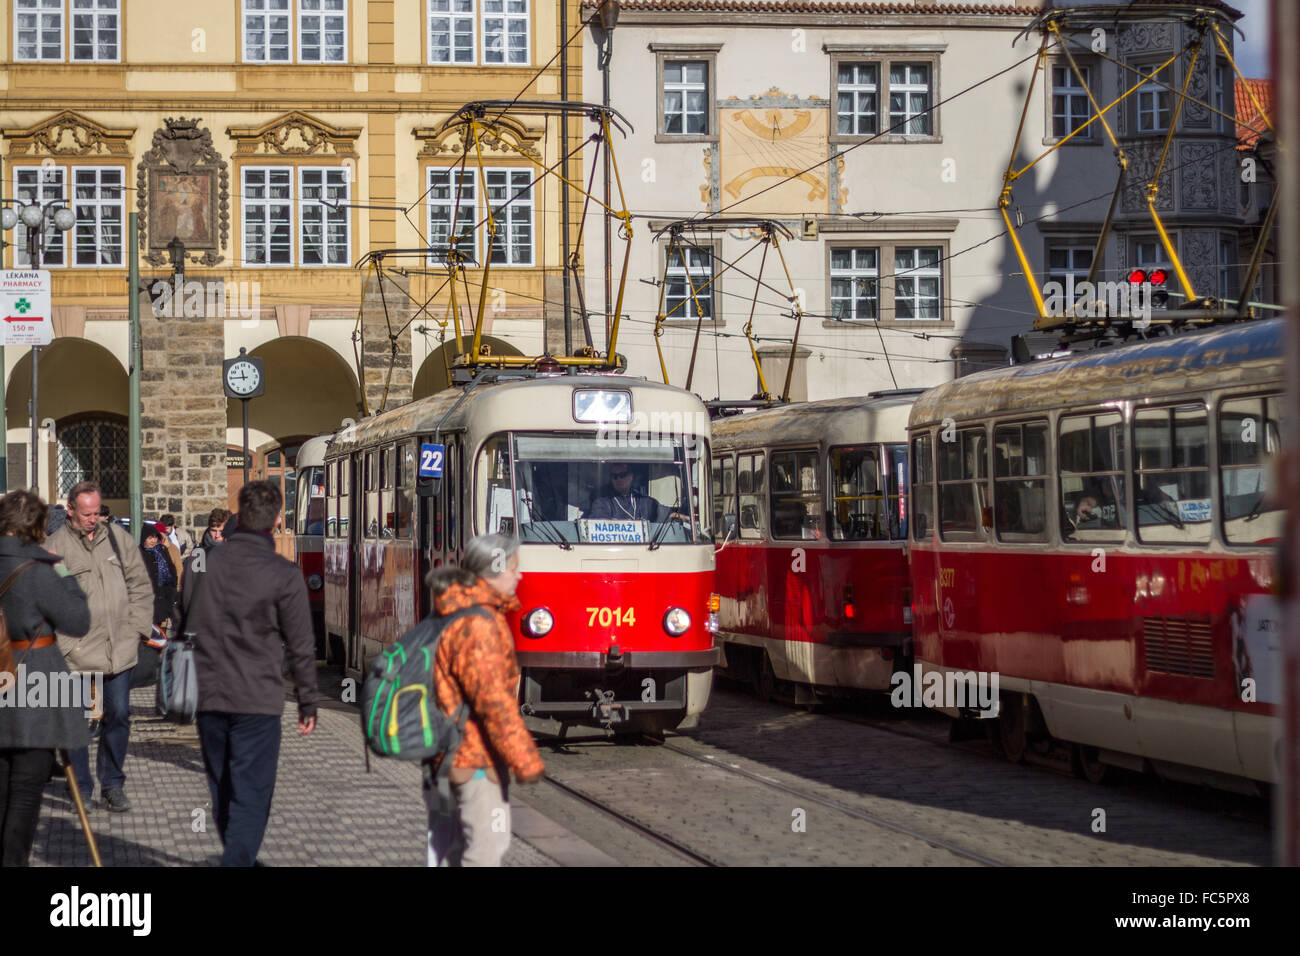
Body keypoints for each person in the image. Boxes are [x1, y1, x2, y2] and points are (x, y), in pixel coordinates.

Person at [185, 482, 317, 867]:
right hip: (257, 699)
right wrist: (308, 701)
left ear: (238, 517)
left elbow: (191, 621)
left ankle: (238, 854)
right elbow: (301, 645)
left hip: (209, 694)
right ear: (277, 521)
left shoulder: (209, 562)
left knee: (223, 787)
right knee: (252, 792)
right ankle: (238, 858)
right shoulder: (284, 574)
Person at [426, 533, 544, 867]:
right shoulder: (480, 624)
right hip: (473, 760)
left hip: (453, 755)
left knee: (452, 851)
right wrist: (525, 759)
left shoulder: (462, 610)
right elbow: (493, 701)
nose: (519, 575)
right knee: (484, 850)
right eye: (512, 568)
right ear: (494, 569)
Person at [47, 481, 153, 813]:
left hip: (118, 648)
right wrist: (64, 644)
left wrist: (135, 628)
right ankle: (80, 788)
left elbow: (140, 584)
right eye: (87, 513)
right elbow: (48, 602)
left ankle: (112, 785)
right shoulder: (54, 547)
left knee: (119, 716)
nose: (94, 519)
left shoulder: (118, 539)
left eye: (97, 512)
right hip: (76, 652)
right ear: (71, 510)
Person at [0, 490, 91, 866]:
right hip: (34, 678)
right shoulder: (42, 568)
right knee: (27, 783)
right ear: (38, 527)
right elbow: (78, 621)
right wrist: (64, 572)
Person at [584, 465, 675, 523]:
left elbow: (666, 513)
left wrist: (682, 516)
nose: (618, 479)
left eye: (622, 475)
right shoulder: (602, 502)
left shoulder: (644, 501)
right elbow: (598, 521)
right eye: (614, 477)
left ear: (631, 476)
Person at [139, 525, 179, 637]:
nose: (153, 541)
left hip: (163, 601)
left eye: (155, 537)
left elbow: (172, 570)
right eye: (150, 538)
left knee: (161, 635)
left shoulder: (162, 550)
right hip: (146, 602)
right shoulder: (138, 553)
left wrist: (172, 591)